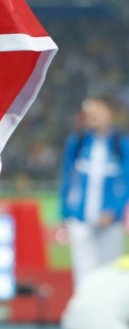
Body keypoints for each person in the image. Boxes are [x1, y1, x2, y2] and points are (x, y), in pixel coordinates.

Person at [59, 96, 129, 286]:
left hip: (109, 223)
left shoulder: (121, 144)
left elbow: (126, 182)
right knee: (83, 275)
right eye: (89, 113)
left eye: (97, 111)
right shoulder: (78, 142)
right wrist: (65, 213)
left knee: (111, 276)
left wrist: (113, 211)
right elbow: (66, 178)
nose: (92, 116)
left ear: (110, 113)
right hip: (79, 221)